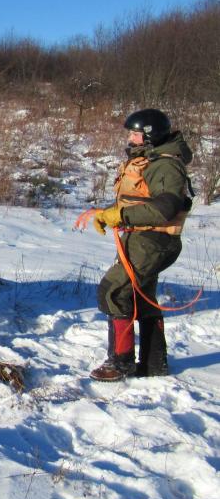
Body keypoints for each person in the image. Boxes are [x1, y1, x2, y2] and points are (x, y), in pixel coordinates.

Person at [90, 108, 193, 382]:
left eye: (135, 133)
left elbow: (165, 207)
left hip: (153, 239)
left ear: (150, 136)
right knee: (141, 298)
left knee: (113, 291)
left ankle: (120, 363)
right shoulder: (152, 159)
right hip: (143, 237)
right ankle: (153, 363)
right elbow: (139, 199)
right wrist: (107, 214)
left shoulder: (166, 165)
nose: (130, 138)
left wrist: (121, 215)